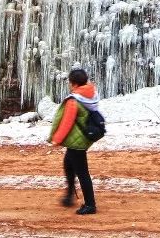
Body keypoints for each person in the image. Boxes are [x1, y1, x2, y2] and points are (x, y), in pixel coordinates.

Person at [48, 67, 100, 215]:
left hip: (76, 141)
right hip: (82, 138)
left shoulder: (74, 100)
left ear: (74, 83)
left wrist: (56, 139)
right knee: (68, 164)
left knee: (82, 172)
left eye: (70, 83)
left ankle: (90, 205)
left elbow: (67, 122)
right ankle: (70, 196)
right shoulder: (91, 95)